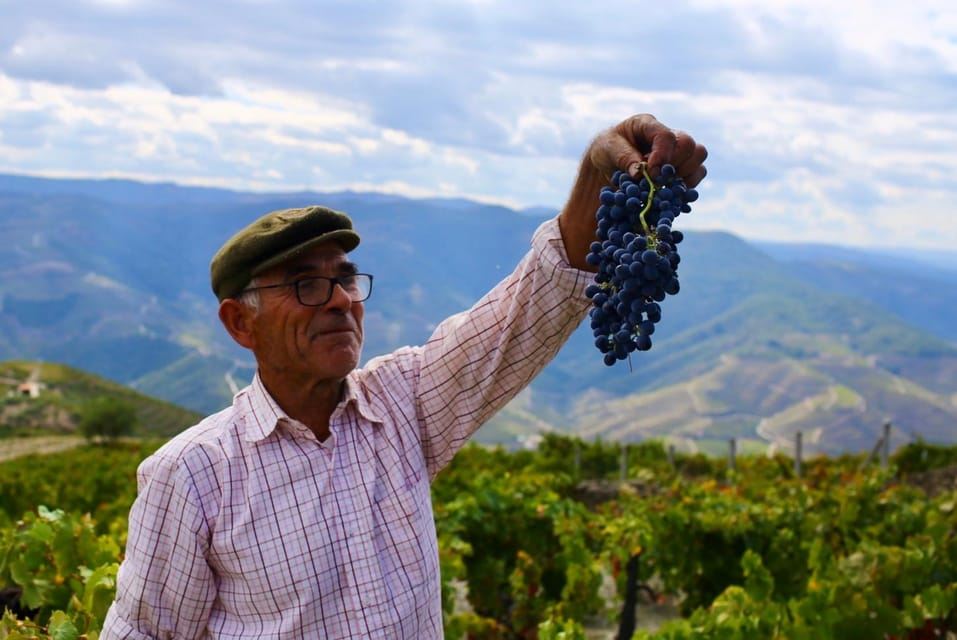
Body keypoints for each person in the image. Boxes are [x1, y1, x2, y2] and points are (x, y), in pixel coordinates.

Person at [100, 113, 707, 639]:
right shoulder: (192, 477)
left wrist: (599, 169)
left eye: (344, 278)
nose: (339, 300)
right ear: (240, 323)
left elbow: (529, 308)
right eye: (306, 285)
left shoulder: (400, 405)